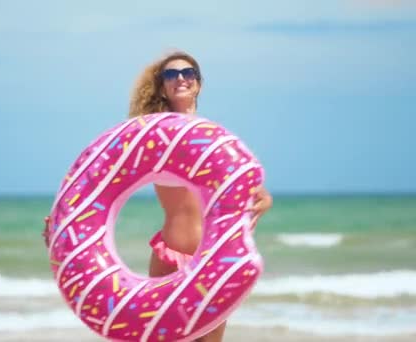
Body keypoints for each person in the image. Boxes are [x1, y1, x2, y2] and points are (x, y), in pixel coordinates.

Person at [44, 50, 272, 342]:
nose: (180, 78)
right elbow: (92, 182)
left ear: (198, 83)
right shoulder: (146, 137)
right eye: (171, 74)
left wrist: (256, 211)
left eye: (188, 73)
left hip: (212, 256)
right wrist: (65, 226)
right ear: (162, 85)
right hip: (170, 251)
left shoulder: (214, 141)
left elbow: (259, 195)